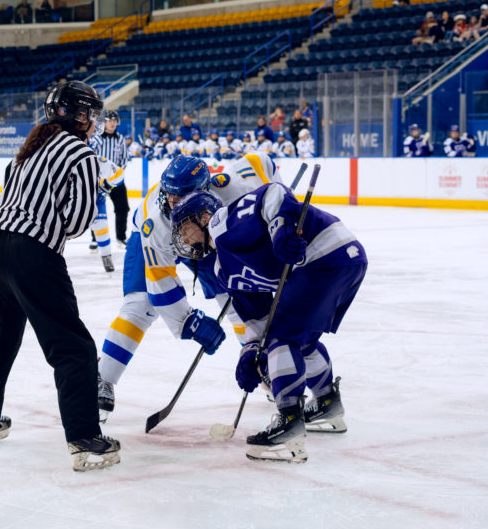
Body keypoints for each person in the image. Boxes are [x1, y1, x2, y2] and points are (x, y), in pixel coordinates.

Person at [0, 80, 120, 472]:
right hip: (31, 252)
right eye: (90, 113)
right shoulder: (81, 153)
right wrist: (50, 227)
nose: (94, 121)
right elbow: (80, 220)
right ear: (78, 114)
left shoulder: (26, 150)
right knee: (73, 348)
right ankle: (85, 439)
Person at [169, 186, 367, 463]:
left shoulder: (222, 223)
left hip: (324, 254)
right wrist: (251, 352)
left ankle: (289, 425)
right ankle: (326, 404)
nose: (183, 238)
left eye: (184, 228)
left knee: (282, 340)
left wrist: (282, 230)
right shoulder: (221, 268)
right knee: (299, 339)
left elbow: (272, 193)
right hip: (343, 258)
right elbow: (257, 319)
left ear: (203, 217)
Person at [97, 153, 283, 422]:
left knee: (238, 299)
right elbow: (160, 283)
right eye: (169, 194)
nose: (171, 203)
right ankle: (103, 379)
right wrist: (188, 322)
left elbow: (261, 163)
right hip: (156, 242)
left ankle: (265, 367)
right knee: (140, 306)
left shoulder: (230, 189)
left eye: (180, 196)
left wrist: (281, 214)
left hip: (207, 234)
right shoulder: (156, 222)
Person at [91, 110, 131, 249]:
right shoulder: (96, 138)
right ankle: (95, 238)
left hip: (115, 181)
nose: (113, 123)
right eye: (110, 120)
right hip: (98, 181)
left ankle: (121, 237)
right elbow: (91, 158)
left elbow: (124, 159)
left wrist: (116, 175)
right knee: (94, 209)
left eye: (115, 120)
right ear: (104, 122)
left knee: (123, 208)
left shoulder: (120, 139)